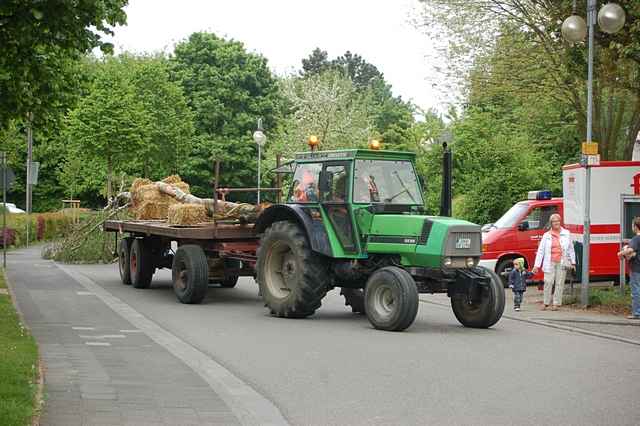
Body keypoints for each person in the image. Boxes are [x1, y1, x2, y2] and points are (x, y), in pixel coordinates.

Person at [532, 213, 576, 311]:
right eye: (554, 221)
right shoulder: (546, 235)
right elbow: (541, 251)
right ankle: (546, 302)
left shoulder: (566, 233)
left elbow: (571, 249)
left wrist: (573, 262)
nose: (556, 223)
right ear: (551, 223)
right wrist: (536, 265)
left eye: (558, 221)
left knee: (559, 283)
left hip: (562, 261)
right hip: (549, 261)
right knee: (548, 282)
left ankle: (556, 303)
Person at [617, 216, 640, 320]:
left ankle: (637, 312)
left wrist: (620, 253)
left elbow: (630, 250)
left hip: (636, 268)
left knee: (636, 291)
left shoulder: (636, 238)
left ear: (635, 227)